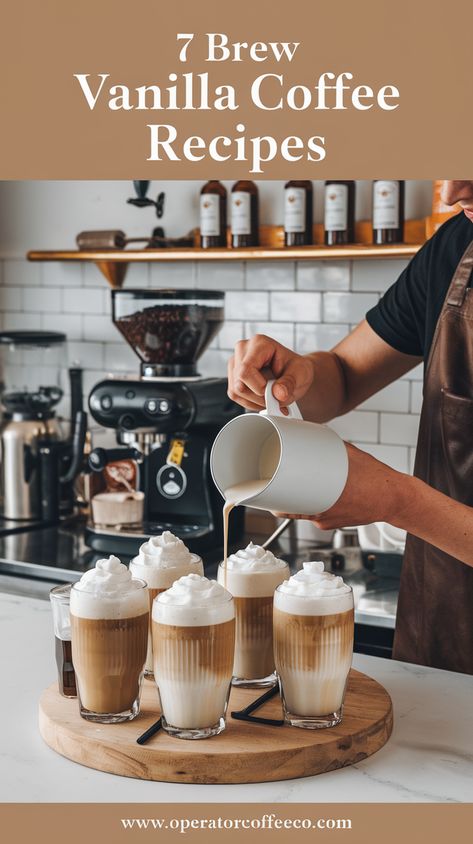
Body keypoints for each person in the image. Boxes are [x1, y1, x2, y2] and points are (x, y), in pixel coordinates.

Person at [227, 181, 473, 675]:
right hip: (443, 636)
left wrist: (398, 501)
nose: (450, 192)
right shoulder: (455, 246)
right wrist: (297, 378)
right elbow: (343, 374)